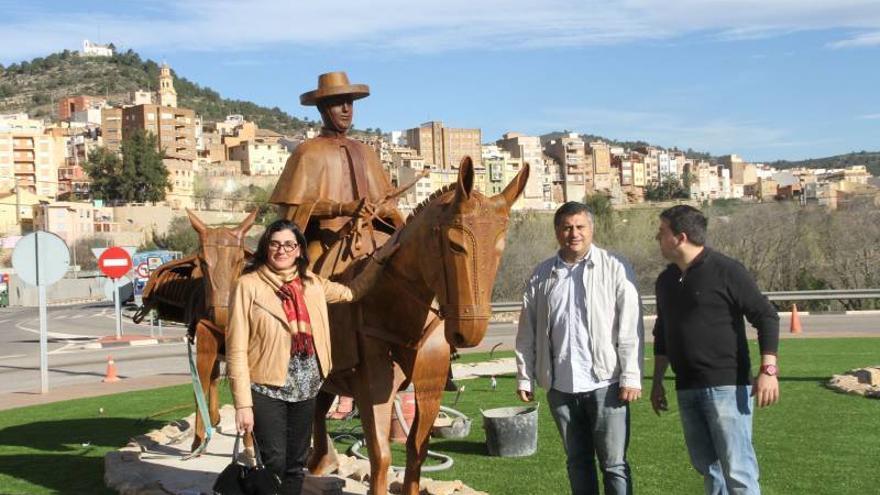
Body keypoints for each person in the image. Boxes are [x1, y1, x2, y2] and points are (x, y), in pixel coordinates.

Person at [225, 219, 397, 494]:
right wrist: (242, 405)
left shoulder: (313, 284)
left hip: (306, 389)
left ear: (299, 251)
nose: (282, 250)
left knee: (295, 464)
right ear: (266, 248)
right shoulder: (248, 286)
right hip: (266, 388)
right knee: (274, 462)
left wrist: (379, 260)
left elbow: (352, 292)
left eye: (289, 245)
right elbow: (235, 348)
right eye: (275, 244)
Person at [269, 71, 404, 371]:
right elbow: (294, 211)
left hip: (370, 234)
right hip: (325, 239)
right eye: (338, 103)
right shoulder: (308, 152)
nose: (346, 109)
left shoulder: (366, 152)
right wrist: (341, 207)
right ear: (322, 109)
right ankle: (308, 356)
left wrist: (381, 212)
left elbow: (388, 204)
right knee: (304, 285)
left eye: (350, 103)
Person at [515, 201, 644, 495]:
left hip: (605, 384)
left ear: (591, 229)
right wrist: (525, 376)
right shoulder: (542, 274)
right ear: (557, 232)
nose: (573, 233)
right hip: (560, 387)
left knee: (613, 465)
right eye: (566, 227)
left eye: (580, 227)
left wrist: (631, 376)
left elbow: (630, 327)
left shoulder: (615, 266)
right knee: (577, 461)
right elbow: (527, 331)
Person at [650, 205, 779, 495]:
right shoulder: (666, 281)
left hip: (727, 388)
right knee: (709, 470)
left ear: (680, 237)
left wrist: (768, 369)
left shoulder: (726, 270)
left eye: (662, 231)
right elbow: (663, 335)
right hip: (686, 388)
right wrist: (658, 381)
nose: (657, 237)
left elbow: (766, 316)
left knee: (738, 471)